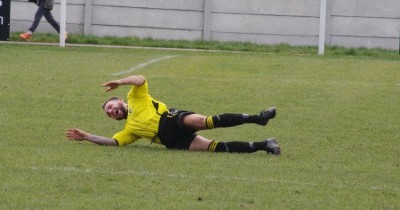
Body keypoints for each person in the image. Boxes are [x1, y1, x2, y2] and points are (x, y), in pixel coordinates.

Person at [66, 75, 281, 155]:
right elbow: (113, 142)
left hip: (171, 119)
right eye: (109, 114)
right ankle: (266, 145)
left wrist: (120, 81)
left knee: (204, 121)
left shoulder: (135, 98)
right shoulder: (130, 130)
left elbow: (141, 79)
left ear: (120, 100)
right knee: (214, 147)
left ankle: (258, 118)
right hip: (172, 141)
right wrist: (87, 136)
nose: (112, 111)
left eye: (112, 107)